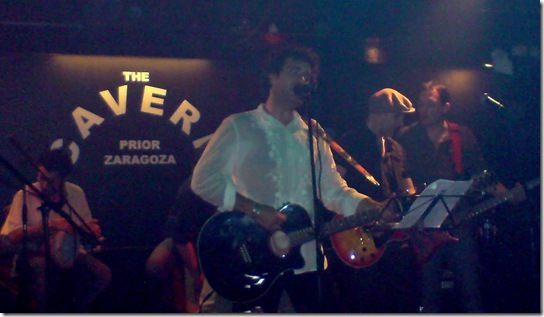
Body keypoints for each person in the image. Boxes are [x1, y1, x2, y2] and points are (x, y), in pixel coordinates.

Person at [190, 45, 393, 313]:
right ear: (273, 77)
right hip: (253, 257)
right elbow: (203, 180)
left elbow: (333, 190)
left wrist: (366, 206)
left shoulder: (313, 134)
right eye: (295, 72)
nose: (303, 80)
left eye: (308, 76)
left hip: (306, 259)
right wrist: (254, 210)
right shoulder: (240, 126)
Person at [397, 80, 525, 313]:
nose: (423, 110)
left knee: (470, 291)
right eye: (420, 105)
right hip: (423, 228)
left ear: (446, 106)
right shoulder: (407, 136)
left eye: (430, 104)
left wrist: (507, 194)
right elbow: (401, 176)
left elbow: (481, 176)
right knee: (428, 295)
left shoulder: (462, 135)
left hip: (460, 225)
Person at [330, 88, 419, 312]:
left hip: (391, 239)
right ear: (380, 113)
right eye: (397, 116)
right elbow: (333, 188)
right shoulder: (350, 141)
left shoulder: (396, 148)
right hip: (359, 235)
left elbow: (406, 188)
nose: (401, 122)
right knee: (365, 302)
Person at [0, 148, 111, 312]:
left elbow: (85, 236)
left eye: (50, 181)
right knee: (41, 269)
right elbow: (10, 237)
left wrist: (89, 233)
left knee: (102, 274)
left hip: (69, 254)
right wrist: (51, 226)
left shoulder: (76, 194)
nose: (43, 185)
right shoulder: (24, 195)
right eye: (40, 177)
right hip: (34, 254)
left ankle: (73, 310)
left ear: (63, 178)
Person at [144, 174, 216, 313]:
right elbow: (180, 237)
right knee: (155, 265)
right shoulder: (190, 189)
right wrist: (195, 274)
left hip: (216, 242)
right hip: (188, 242)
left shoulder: (237, 185)